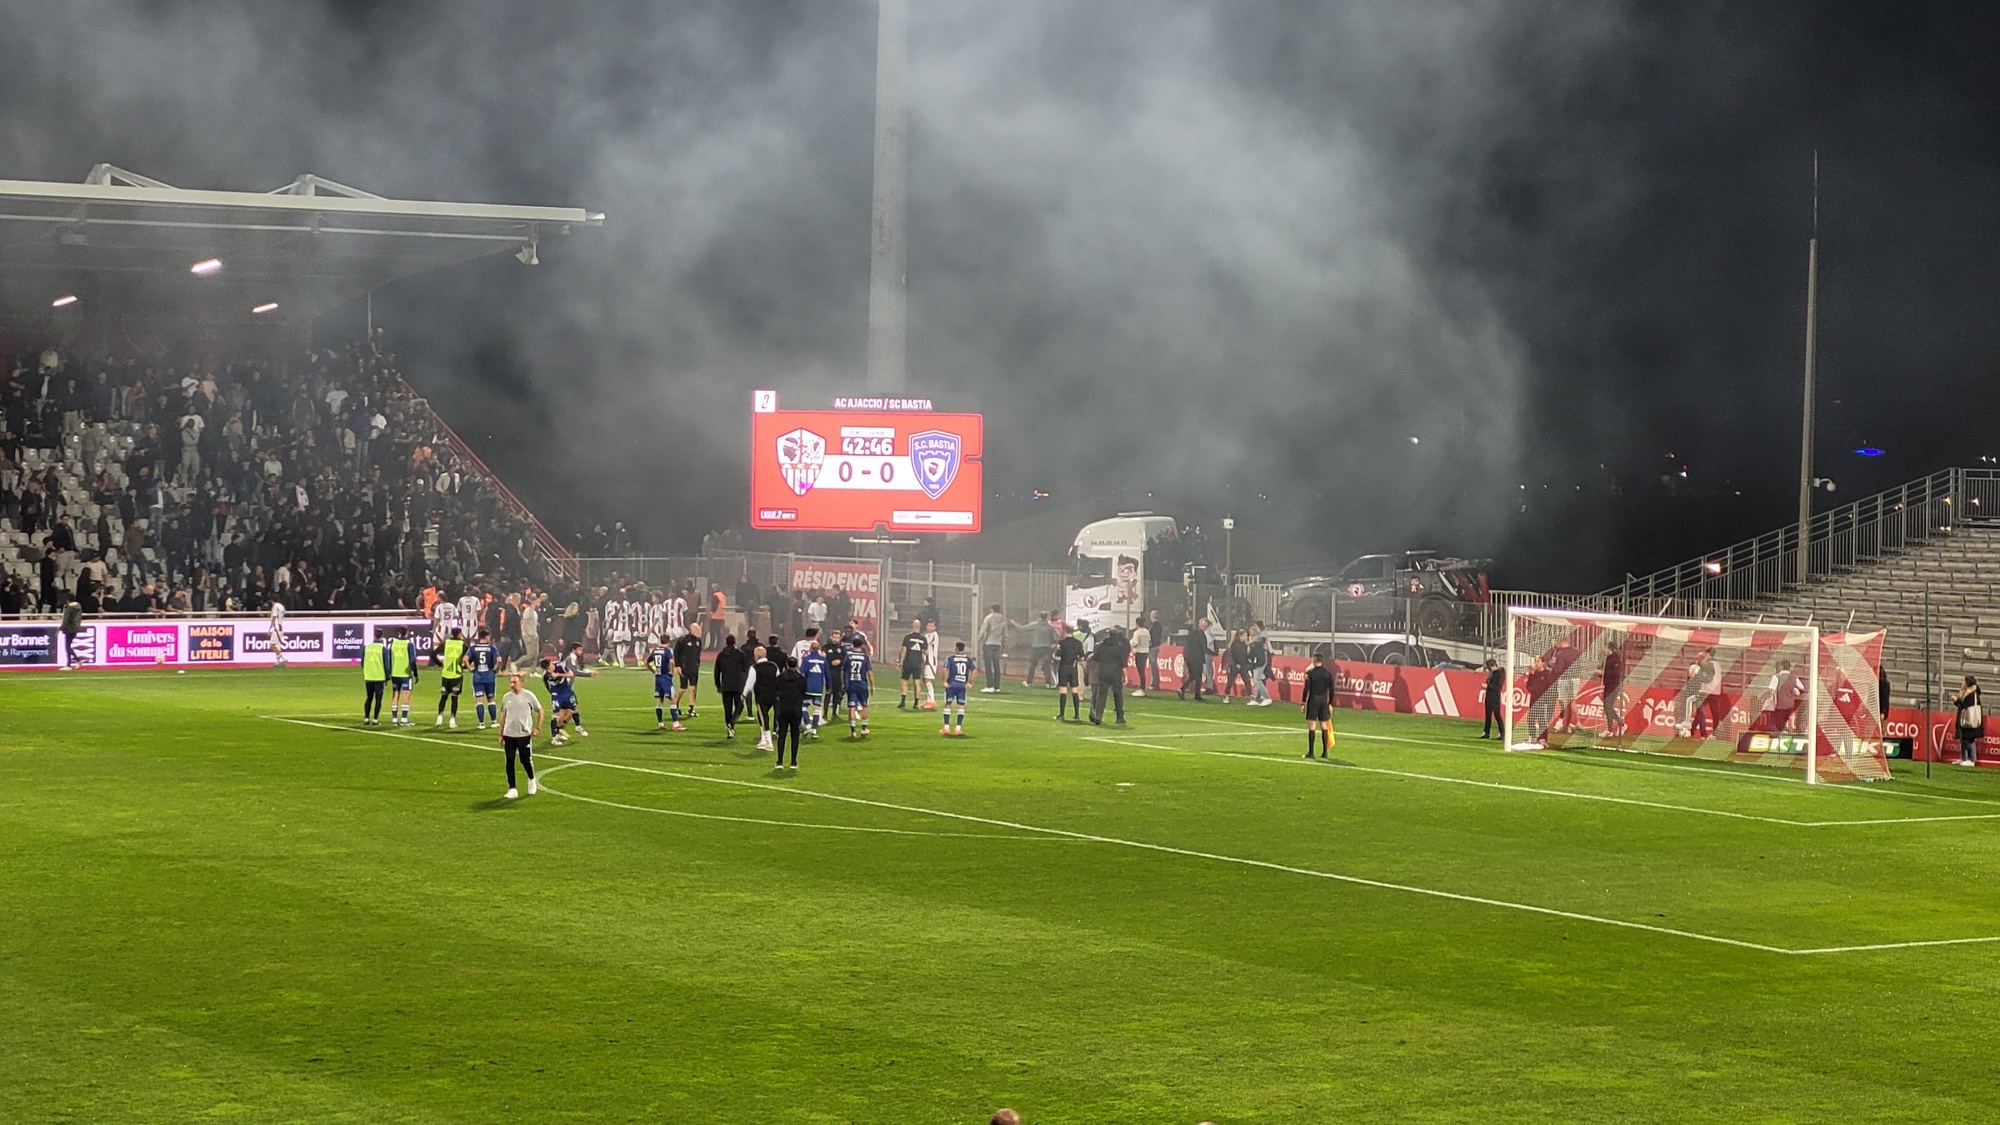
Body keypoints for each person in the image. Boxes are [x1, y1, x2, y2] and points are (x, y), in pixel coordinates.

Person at [498, 672, 543, 799]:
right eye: (510, 682)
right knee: (510, 761)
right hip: (509, 734)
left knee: (525, 760)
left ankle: (531, 779)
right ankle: (512, 788)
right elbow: (504, 715)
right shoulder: (506, 697)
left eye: (514, 682)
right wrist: (501, 733)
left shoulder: (529, 696)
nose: (512, 685)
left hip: (523, 734)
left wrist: (538, 727)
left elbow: (540, 710)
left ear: (521, 682)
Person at [1089, 625, 1130, 726]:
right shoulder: (1120, 646)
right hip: (1115, 672)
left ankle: (1098, 716)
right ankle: (1119, 717)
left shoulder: (1102, 645)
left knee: (1101, 695)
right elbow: (1123, 661)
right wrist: (1126, 675)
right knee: (1118, 695)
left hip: (1103, 671)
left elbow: (1096, 658)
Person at [772, 654, 807, 769]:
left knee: (781, 734)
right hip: (796, 709)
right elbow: (803, 692)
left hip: (783, 708)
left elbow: (775, 691)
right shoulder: (801, 678)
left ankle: (779, 761)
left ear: (786, 664)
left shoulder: (780, 677)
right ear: (796, 665)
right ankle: (793, 761)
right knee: (794, 735)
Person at [713, 634, 751, 739]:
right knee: (740, 705)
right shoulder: (740, 654)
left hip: (726, 685)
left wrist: (718, 685)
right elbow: (745, 669)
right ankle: (732, 723)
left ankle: (729, 728)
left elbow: (717, 671)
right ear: (735, 642)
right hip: (738, 685)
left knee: (727, 708)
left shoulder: (721, 655)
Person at [1303, 647, 1336, 759]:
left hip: (1313, 701)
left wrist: (1303, 703)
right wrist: (1330, 703)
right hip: (1323, 701)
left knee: (1312, 726)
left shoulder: (1310, 673)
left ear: (1313, 660)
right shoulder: (1328, 674)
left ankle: (1311, 752)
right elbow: (1332, 690)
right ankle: (1325, 752)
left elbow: (1306, 689)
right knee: (1324, 726)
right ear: (1322, 660)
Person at [468, 628, 502, 730]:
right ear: (487, 636)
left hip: (478, 677)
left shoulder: (473, 648)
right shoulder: (492, 648)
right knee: (491, 700)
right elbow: (499, 660)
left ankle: (481, 723)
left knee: (479, 700)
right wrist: (496, 669)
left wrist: (470, 668)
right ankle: (493, 722)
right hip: (489, 677)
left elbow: (465, 659)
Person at [542, 656, 579, 745]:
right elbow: (547, 685)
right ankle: (554, 738)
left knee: (573, 709)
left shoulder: (560, 666)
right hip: (557, 695)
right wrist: (553, 693)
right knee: (556, 715)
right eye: (546, 669)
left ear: (551, 663)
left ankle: (559, 731)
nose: (548, 670)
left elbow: (571, 674)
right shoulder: (546, 675)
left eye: (549, 667)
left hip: (566, 692)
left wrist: (559, 675)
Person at [434, 627, 466, 728]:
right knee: (454, 698)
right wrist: (464, 666)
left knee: (443, 697)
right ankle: (452, 720)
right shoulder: (463, 645)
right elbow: (469, 657)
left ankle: (439, 718)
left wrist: (440, 663)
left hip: (446, 674)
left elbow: (434, 654)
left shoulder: (446, 643)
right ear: (459, 634)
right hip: (456, 674)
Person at [560, 642, 595, 737]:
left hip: (565, 687)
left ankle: (559, 730)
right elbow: (574, 671)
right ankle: (576, 726)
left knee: (567, 710)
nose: (581, 652)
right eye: (579, 650)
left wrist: (588, 671)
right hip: (565, 687)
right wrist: (589, 674)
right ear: (573, 650)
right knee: (572, 708)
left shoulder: (573, 659)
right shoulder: (571, 658)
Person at [843, 636, 874, 738]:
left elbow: (843, 670)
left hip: (851, 684)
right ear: (861, 645)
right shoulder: (865, 657)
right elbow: (869, 672)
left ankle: (853, 731)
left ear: (853, 645)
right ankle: (864, 729)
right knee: (865, 706)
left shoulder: (848, 656)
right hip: (862, 684)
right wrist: (872, 685)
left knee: (852, 707)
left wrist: (844, 682)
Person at [941, 641, 974, 736]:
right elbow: (974, 670)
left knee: (947, 704)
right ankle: (958, 728)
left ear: (956, 648)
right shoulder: (968, 659)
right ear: (963, 649)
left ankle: (946, 727)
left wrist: (944, 681)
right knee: (961, 706)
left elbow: (944, 669)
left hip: (952, 684)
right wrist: (970, 683)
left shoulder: (951, 658)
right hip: (962, 685)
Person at [1054, 623, 1085, 722]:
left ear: (1065, 631)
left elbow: (1058, 657)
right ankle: (1077, 715)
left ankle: (1062, 714)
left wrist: (1054, 657)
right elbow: (1082, 657)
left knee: (1063, 691)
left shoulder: (1062, 643)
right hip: (1073, 668)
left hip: (1064, 668)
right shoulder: (1078, 643)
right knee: (1075, 691)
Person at [672, 626, 704, 722]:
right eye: (697, 629)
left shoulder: (698, 641)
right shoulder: (683, 640)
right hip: (684, 667)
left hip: (694, 668)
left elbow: (698, 654)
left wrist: (698, 663)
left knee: (693, 688)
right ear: (691, 630)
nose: (699, 631)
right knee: (683, 687)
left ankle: (691, 709)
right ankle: (675, 705)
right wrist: (678, 666)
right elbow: (676, 653)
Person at [387, 628, 418, 726]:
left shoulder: (393, 643)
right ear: (407, 633)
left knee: (395, 695)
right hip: (405, 674)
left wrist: (388, 673)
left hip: (395, 673)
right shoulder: (409, 644)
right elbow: (412, 660)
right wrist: (416, 674)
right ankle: (404, 719)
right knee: (406, 695)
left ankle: (394, 719)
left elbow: (389, 658)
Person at [752, 643, 779, 751]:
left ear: (757, 656)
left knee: (763, 717)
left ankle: (768, 742)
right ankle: (763, 739)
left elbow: (750, 683)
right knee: (765, 717)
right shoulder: (773, 666)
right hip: (774, 695)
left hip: (761, 696)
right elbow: (778, 679)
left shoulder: (755, 668)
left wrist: (743, 695)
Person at [801, 636, 830, 738]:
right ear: (819, 649)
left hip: (808, 687)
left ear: (810, 649)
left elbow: (802, 673)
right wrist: (828, 687)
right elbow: (827, 674)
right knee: (817, 708)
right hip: (818, 688)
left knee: (803, 706)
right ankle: (814, 730)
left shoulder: (806, 659)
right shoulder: (823, 660)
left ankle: (808, 725)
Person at [650, 635, 680, 730]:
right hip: (665, 677)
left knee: (659, 701)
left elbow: (647, 662)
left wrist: (653, 671)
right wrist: (671, 672)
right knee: (673, 699)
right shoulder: (667, 651)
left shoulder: (655, 651)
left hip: (657, 677)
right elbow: (671, 661)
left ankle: (660, 723)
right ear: (668, 641)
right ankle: (676, 724)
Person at [1952, 674, 1982, 767]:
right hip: (1964, 718)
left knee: (1969, 740)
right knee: (1963, 740)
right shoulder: (1964, 692)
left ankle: (1971, 759)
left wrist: (1957, 700)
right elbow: (1962, 706)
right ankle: (1964, 758)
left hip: (1970, 719)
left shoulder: (1972, 693)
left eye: (1963, 681)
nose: (1962, 683)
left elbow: (1967, 706)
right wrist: (1957, 701)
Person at [977, 603, 1008, 692]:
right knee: (997, 665)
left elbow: (983, 630)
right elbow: (1005, 634)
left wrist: (978, 641)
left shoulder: (989, 618)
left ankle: (989, 685)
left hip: (989, 643)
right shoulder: (1003, 620)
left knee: (988, 665)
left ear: (992, 609)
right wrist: (1004, 645)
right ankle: (997, 686)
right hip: (998, 644)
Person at [1178, 618, 1210, 701]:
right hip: (1196, 659)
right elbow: (1203, 647)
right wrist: (1214, 653)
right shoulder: (1201, 635)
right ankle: (1195, 694)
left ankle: (1185, 690)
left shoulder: (1193, 633)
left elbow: (1188, 646)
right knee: (1197, 677)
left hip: (1191, 658)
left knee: (1193, 676)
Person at [898, 619, 928, 709]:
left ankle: (903, 701)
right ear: (920, 626)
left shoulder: (908, 637)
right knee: (917, 683)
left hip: (908, 662)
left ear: (912, 626)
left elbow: (904, 650)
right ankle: (916, 703)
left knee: (904, 681)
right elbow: (926, 652)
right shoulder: (923, 639)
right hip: (918, 663)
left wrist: (900, 661)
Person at [1023, 611, 1057, 688]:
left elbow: (1022, 628)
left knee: (1033, 665)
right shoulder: (1050, 627)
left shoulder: (1035, 625)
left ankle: (1029, 682)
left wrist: (1014, 623)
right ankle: (1048, 683)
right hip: (1047, 648)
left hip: (1036, 648)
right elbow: (1055, 637)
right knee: (1047, 666)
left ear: (1039, 616)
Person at [361, 631, 389, 725]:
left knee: (369, 697)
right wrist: (387, 677)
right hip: (379, 677)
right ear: (382, 637)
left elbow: (362, 662)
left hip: (369, 676)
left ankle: (366, 718)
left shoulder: (367, 647)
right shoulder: (383, 649)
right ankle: (375, 719)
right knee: (378, 699)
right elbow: (387, 665)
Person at [1480, 658, 1504, 739]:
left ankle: (1502, 733)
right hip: (1489, 695)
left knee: (1497, 715)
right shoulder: (1492, 674)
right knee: (1488, 715)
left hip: (1495, 696)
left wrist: (1488, 686)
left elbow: (1498, 686)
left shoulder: (1500, 673)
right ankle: (1486, 732)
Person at [1129, 618, 1152, 696]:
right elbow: (1149, 642)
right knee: (1142, 671)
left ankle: (1142, 688)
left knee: (1141, 671)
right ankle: (1142, 687)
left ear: (1137, 624)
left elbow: (1134, 643)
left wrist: (1131, 642)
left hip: (1139, 652)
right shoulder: (1147, 632)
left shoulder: (1137, 633)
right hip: (1145, 652)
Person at [59, 599, 83, 669]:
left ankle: (73, 662)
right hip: (75, 628)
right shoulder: (78, 607)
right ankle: (70, 663)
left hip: (69, 629)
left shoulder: (69, 608)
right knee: (68, 646)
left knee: (67, 647)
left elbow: (66, 620)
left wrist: (60, 628)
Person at [268, 597, 287, 668]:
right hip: (281, 626)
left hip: (277, 628)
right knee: (277, 645)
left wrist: (270, 628)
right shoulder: (281, 606)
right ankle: (279, 662)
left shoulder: (275, 606)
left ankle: (282, 658)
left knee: (272, 644)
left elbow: (274, 617)